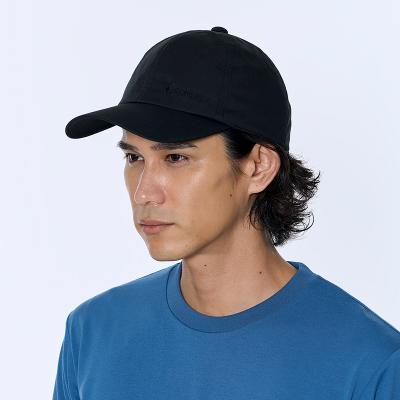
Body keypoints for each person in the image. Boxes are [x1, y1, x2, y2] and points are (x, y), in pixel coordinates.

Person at [52, 27, 400, 399]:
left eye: (176, 157)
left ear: (259, 167)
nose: (144, 193)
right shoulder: (92, 333)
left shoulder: (370, 363)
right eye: (134, 158)